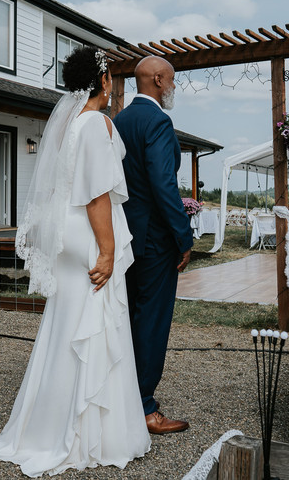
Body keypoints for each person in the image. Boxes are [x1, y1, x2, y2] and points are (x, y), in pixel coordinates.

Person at [0, 47, 149, 477]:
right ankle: (89, 433)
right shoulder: (98, 124)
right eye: (111, 79)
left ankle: (48, 422)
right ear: (103, 81)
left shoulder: (69, 125)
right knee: (97, 321)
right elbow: (96, 195)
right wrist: (108, 251)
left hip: (67, 234)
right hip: (90, 234)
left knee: (66, 323)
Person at [113, 55, 194, 434]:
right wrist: (184, 237)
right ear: (159, 79)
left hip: (122, 236)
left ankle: (122, 396)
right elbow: (165, 186)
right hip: (155, 241)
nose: (174, 86)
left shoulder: (118, 121)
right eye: (172, 80)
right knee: (152, 321)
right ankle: (144, 408)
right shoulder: (158, 122)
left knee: (127, 318)